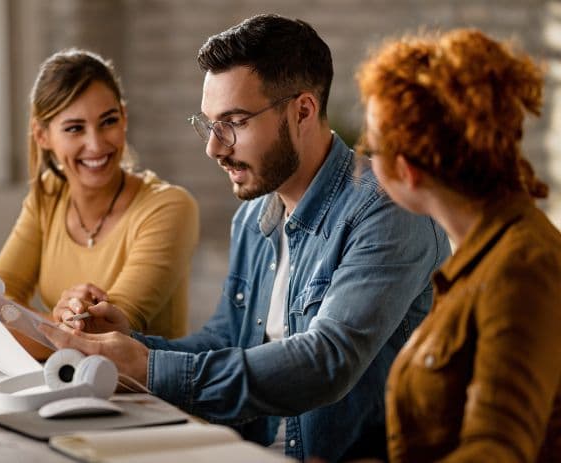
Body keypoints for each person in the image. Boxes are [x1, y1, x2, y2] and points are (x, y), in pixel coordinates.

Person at [40, 15, 450, 461]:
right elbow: (226, 341)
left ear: (303, 111)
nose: (214, 148)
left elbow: (326, 362)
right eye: (209, 124)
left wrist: (149, 368)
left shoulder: (387, 210)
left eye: (233, 122)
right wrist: (134, 346)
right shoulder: (254, 215)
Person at [356, 29, 561, 462]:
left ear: (408, 171)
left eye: (371, 147)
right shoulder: (482, 255)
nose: (363, 160)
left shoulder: (522, 267)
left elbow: (496, 450)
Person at [0, 49, 199, 360]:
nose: (96, 144)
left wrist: (13, 327)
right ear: (42, 135)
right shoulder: (47, 197)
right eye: (75, 128)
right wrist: (55, 324)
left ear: (124, 117)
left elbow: (106, 332)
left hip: (147, 398)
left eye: (108, 121)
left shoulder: (169, 207)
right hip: (67, 382)